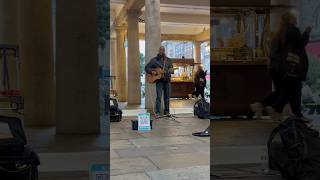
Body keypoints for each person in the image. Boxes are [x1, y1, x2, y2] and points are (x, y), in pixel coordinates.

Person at [251, 11, 312, 121]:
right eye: (294, 17)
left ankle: (266, 107)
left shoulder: (280, 33)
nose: (296, 19)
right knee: (291, 90)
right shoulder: (292, 30)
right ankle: (275, 109)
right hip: (289, 67)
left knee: (287, 90)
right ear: (290, 19)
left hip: (280, 67)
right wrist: (307, 33)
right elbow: (300, 44)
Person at [145, 46, 174, 118]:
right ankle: (157, 112)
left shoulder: (168, 60)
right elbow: (146, 67)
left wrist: (170, 70)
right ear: (158, 51)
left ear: (164, 51)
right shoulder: (154, 60)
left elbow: (172, 70)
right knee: (158, 97)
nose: (162, 51)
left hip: (167, 81)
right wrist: (152, 71)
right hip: (159, 82)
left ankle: (167, 111)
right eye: (160, 50)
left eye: (163, 50)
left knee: (167, 97)